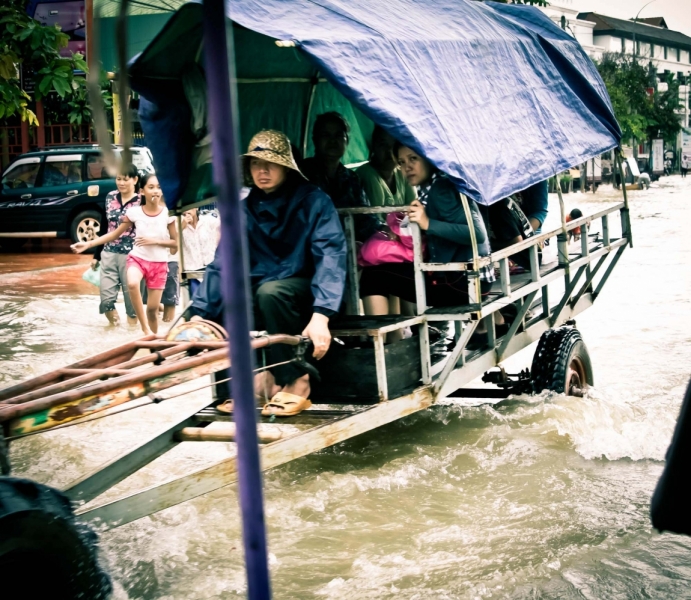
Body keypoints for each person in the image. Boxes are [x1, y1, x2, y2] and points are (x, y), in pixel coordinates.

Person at [185, 130, 347, 416]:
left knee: (271, 292)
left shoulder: (314, 201)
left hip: (308, 293)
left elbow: (331, 257)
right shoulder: (243, 210)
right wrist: (199, 314)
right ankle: (263, 376)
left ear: (287, 166)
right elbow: (223, 263)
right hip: (264, 292)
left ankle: (298, 379)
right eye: (255, 163)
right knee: (240, 296)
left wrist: (322, 314)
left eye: (270, 163)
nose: (262, 170)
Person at [360, 144, 494, 313]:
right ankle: (394, 336)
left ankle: (385, 339)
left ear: (429, 158)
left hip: (460, 283)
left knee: (373, 276)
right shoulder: (436, 185)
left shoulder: (441, 189)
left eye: (413, 158)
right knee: (388, 269)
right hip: (469, 281)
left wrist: (427, 223)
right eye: (401, 162)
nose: (407, 167)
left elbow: (477, 233)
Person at [72, 173, 179, 335]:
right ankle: (144, 329)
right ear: (142, 191)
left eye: (158, 187)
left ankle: (155, 339)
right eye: (151, 187)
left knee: (152, 310)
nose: (155, 191)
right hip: (137, 259)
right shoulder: (134, 212)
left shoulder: (167, 214)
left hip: (159, 264)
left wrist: (155, 241)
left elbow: (175, 244)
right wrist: (89, 243)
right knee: (132, 284)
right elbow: (114, 234)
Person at [301, 112, 379, 241]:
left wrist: (382, 230)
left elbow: (365, 216)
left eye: (338, 135)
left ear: (346, 141)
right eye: (326, 135)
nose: (333, 141)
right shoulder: (302, 173)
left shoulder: (352, 178)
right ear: (315, 140)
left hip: (347, 247)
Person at [91, 165, 141, 327]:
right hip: (108, 253)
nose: (121, 183)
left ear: (135, 180)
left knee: (131, 303)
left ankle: (131, 336)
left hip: (132, 256)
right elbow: (105, 226)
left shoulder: (142, 201)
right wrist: (96, 255)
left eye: (125, 179)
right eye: (118, 179)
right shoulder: (110, 197)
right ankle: (115, 329)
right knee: (106, 302)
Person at [356, 126, 416, 214]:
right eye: (383, 145)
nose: (389, 151)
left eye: (393, 145)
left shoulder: (402, 172)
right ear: (373, 147)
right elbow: (375, 219)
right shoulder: (366, 174)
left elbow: (414, 208)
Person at [180, 207, 220, 295]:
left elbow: (224, 226)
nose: (187, 210)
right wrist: (181, 226)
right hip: (192, 272)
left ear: (196, 208)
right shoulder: (180, 224)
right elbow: (172, 240)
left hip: (211, 268)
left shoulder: (208, 220)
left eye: (189, 207)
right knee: (197, 302)